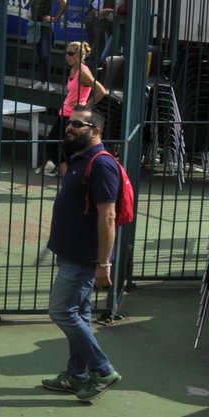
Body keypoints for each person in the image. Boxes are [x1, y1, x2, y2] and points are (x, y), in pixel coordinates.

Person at [41, 107, 125, 401]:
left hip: (84, 257)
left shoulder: (102, 165)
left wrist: (104, 262)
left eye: (78, 124)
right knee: (80, 313)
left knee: (62, 311)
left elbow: (108, 217)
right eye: (69, 123)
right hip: (70, 252)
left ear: (96, 131)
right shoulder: (80, 159)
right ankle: (76, 376)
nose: (70, 128)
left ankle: (102, 370)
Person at [43, 41, 107, 176]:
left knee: (54, 146)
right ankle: (69, 176)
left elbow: (100, 91)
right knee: (62, 147)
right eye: (66, 52)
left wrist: (86, 106)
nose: (67, 56)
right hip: (65, 113)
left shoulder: (83, 72)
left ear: (80, 55)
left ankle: (69, 177)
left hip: (72, 116)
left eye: (71, 53)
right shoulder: (73, 69)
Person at [27, 0, 64, 88]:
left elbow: (64, 2)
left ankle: (48, 83)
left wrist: (55, 18)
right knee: (38, 55)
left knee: (45, 54)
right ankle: (42, 81)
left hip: (45, 26)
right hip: (34, 26)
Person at [86, 0, 122, 69]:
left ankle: (93, 72)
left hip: (104, 15)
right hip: (93, 12)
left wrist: (107, 11)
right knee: (92, 43)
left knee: (98, 45)